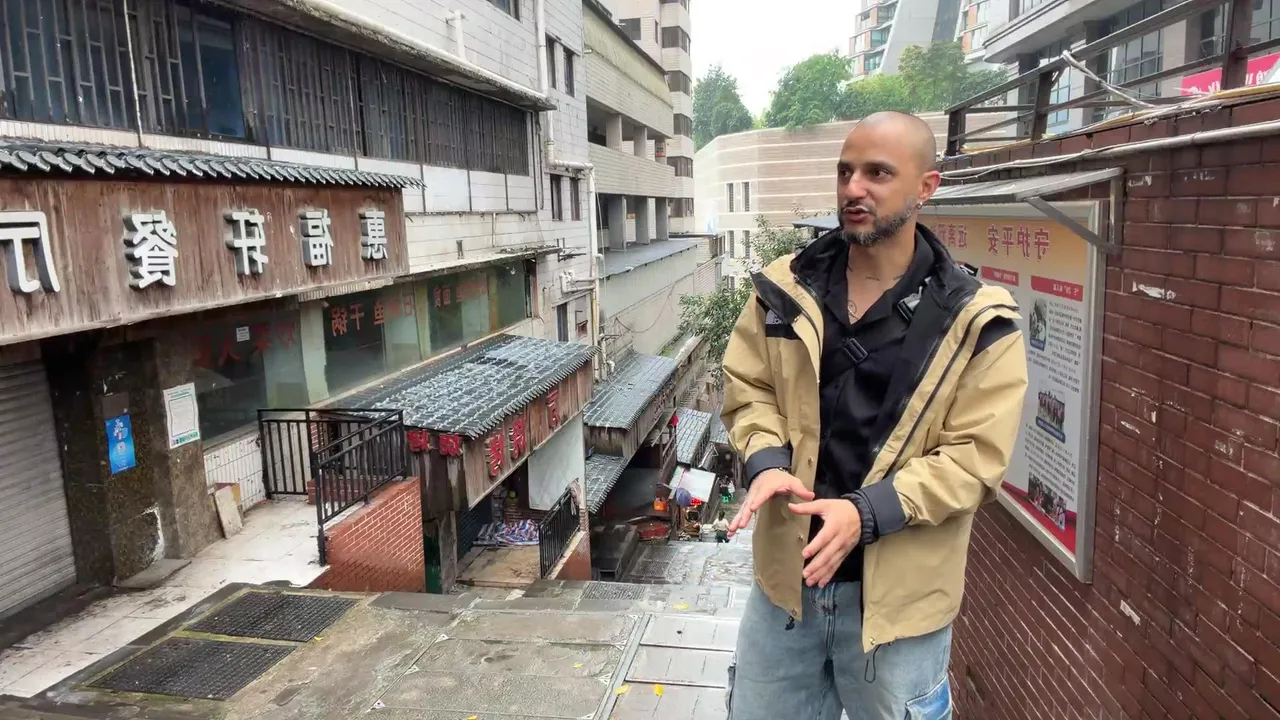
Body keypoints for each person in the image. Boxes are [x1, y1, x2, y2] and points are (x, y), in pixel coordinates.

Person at [719, 111, 1029, 719]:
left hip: (898, 613)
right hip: (786, 591)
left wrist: (864, 514)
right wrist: (767, 460)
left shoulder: (977, 320)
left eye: (878, 173)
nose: (853, 188)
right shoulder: (785, 288)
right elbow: (749, 384)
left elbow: (975, 458)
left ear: (926, 186)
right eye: (845, 172)